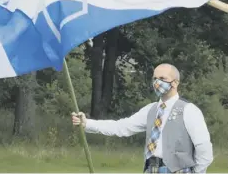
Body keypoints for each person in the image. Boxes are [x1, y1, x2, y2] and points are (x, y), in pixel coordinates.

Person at [71, 63, 213, 173]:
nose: (157, 82)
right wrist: (87, 124)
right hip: (151, 169)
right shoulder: (150, 110)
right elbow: (122, 127)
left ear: (175, 83)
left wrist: (198, 172)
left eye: (162, 78)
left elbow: (204, 147)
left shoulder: (189, 110)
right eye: (155, 78)